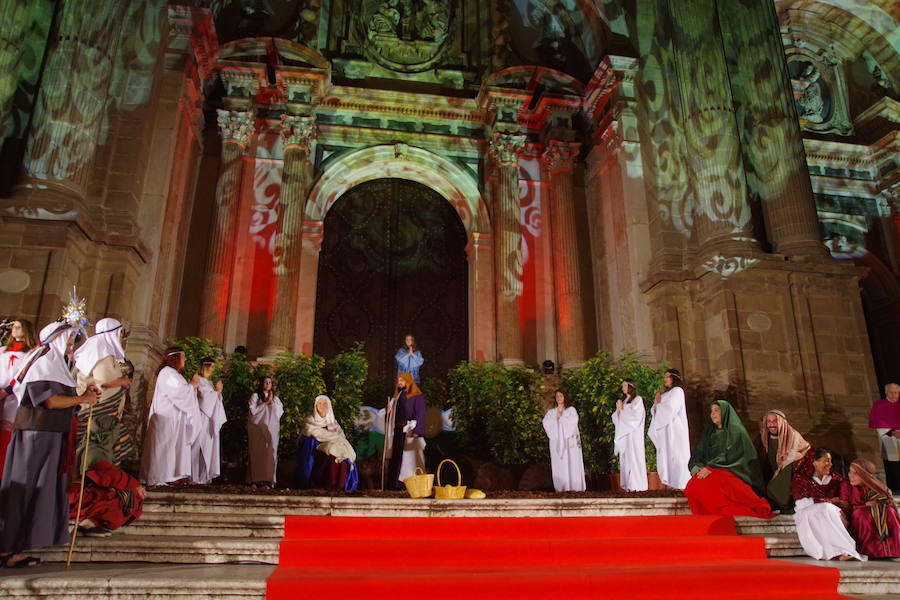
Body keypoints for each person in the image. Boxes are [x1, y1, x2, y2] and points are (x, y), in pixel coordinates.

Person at [0, 320, 101, 568]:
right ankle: (6, 547)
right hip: (36, 435)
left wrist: (82, 397)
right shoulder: (43, 360)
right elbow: (49, 401)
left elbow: (63, 399)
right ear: (56, 337)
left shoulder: (55, 363)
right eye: (69, 337)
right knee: (24, 490)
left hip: (50, 434)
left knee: (36, 491)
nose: (71, 342)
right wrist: (83, 398)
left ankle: (16, 548)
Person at [684, 401, 772, 518]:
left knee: (710, 487)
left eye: (717, 410)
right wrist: (698, 468)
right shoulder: (710, 433)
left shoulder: (736, 431)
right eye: (711, 411)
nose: (713, 414)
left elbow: (733, 456)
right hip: (710, 472)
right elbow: (698, 453)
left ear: (725, 412)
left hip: (734, 471)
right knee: (692, 486)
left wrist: (711, 467)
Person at [73, 318, 134, 470]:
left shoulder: (99, 348)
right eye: (121, 334)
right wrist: (123, 382)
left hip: (101, 411)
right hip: (99, 412)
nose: (121, 338)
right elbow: (103, 382)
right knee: (97, 451)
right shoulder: (102, 352)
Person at [141, 347, 201, 486]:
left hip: (172, 419)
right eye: (183, 356)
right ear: (175, 358)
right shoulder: (167, 373)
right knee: (163, 447)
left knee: (170, 447)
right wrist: (192, 385)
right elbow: (178, 393)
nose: (185, 360)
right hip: (165, 418)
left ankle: (170, 475)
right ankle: (157, 477)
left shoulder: (174, 374)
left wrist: (191, 387)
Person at [791, 448, 865, 561]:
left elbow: (844, 501)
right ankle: (841, 550)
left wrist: (835, 503)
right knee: (825, 508)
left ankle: (842, 551)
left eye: (830, 461)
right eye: (826, 461)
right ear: (814, 462)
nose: (830, 464)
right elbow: (801, 504)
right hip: (807, 514)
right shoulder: (801, 480)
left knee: (827, 510)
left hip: (832, 514)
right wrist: (828, 501)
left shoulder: (837, 479)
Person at [297, 395, 358, 491]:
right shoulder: (310, 421)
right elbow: (312, 435)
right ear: (315, 406)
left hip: (334, 445)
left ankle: (340, 486)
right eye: (319, 403)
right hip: (318, 448)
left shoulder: (333, 422)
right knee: (332, 452)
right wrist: (331, 438)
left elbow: (341, 437)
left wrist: (336, 440)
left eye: (325, 403)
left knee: (342, 454)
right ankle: (328, 484)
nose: (322, 406)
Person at [841, 458, 900, 558]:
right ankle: (869, 551)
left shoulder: (875, 485)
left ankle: (891, 550)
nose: (851, 475)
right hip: (855, 514)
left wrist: (877, 504)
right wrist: (865, 506)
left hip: (877, 511)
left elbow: (888, 500)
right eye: (850, 472)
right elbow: (846, 506)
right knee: (861, 514)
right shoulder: (847, 485)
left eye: (856, 473)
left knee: (889, 511)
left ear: (865, 475)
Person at [70, 460, 146, 536]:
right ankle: (88, 524)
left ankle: (88, 524)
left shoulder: (129, 487)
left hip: (105, 507)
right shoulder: (130, 487)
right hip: (108, 514)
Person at [0, 319, 35, 479]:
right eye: (13, 327)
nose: (14, 329)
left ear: (26, 330)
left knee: (5, 438)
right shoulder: (2, 351)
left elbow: (23, 375)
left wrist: (7, 391)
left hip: (14, 398)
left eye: (18, 327)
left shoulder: (30, 354)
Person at [758, 410, 811, 514]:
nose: (771, 425)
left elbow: (806, 452)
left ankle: (785, 503)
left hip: (787, 473)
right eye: (769, 421)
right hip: (769, 472)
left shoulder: (793, 436)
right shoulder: (763, 437)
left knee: (791, 463)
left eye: (774, 421)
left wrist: (792, 455)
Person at [648, 369, 691, 490]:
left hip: (675, 432)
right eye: (664, 377)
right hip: (665, 432)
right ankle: (671, 485)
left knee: (677, 456)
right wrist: (656, 405)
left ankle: (681, 485)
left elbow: (671, 409)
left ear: (674, 378)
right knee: (667, 456)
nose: (665, 379)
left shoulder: (678, 391)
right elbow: (655, 411)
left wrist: (658, 404)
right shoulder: (665, 394)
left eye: (667, 376)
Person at [386, 372, 426, 490]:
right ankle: (395, 484)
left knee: (409, 460)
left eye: (402, 380)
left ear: (408, 381)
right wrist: (388, 411)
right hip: (398, 431)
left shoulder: (416, 396)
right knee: (397, 458)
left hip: (409, 431)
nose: (399, 383)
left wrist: (417, 430)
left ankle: (408, 484)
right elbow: (393, 415)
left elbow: (421, 414)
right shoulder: (397, 397)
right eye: (398, 380)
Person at [191, 357, 226, 484]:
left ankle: (203, 477)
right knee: (197, 446)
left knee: (208, 448)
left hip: (211, 419)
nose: (213, 369)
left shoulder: (209, 382)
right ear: (205, 366)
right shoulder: (198, 379)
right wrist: (217, 391)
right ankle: (193, 477)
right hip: (201, 416)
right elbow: (204, 399)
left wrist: (217, 393)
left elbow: (216, 400)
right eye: (212, 367)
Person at [543, 389, 586, 492]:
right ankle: (561, 487)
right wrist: (555, 419)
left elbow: (573, 423)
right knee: (560, 464)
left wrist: (562, 418)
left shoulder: (571, 410)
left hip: (569, 444)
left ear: (565, 397)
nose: (559, 398)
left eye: (561, 396)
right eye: (557, 396)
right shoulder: (551, 412)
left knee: (572, 463)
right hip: (557, 443)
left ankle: (574, 487)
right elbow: (546, 423)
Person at [612, 379, 648, 492]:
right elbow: (616, 417)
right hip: (625, 435)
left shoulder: (638, 400)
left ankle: (637, 485)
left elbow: (636, 416)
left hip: (634, 435)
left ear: (630, 386)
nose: (622, 388)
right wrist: (618, 411)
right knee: (626, 459)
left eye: (624, 385)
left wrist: (622, 410)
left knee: (635, 458)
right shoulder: (625, 400)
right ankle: (628, 485)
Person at [247, 376, 283, 488]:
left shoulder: (276, 398)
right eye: (265, 382)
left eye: (270, 382)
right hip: (257, 429)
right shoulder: (256, 396)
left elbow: (279, 413)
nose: (268, 384)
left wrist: (272, 403)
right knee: (258, 453)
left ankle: (269, 480)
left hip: (271, 429)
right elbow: (253, 412)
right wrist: (265, 403)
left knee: (270, 453)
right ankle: (256, 479)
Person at [869, 383, 900, 492]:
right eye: (891, 392)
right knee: (893, 465)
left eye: (896, 392)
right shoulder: (879, 405)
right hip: (889, 439)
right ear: (886, 392)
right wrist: (892, 432)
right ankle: (896, 489)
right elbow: (877, 421)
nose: (894, 395)